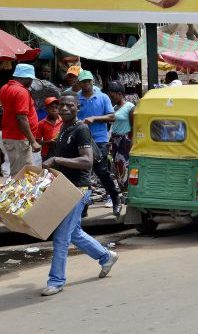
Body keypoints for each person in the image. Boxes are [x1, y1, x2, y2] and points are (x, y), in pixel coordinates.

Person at [40, 94, 118, 296]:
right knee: (73, 232)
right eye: (62, 105)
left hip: (78, 189)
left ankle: (56, 281)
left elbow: (87, 161)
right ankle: (105, 256)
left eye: (70, 105)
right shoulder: (63, 128)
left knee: (61, 237)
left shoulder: (81, 129)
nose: (65, 108)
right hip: (63, 187)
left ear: (78, 108)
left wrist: (56, 160)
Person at [77, 70, 121, 217]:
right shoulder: (76, 98)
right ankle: (83, 207)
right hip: (82, 139)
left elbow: (112, 117)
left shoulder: (102, 97)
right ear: (79, 83)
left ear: (92, 82)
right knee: (83, 174)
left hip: (99, 139)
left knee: (101, 171)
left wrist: (94, 118)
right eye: (83, 82)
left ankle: (115, 199)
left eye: (88, 81)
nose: (86, 84)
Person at [0, 64, 41, 176]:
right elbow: (21, 118)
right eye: (31, 79)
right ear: (25, 78)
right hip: (18, 138)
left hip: (12, 136)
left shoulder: (5, 88)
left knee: (22, 172)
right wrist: (33, 141)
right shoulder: (21, 91)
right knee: (22, 174)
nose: (31, 82)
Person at [107, 81, 134, 187]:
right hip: (115, 141)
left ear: (120, 94)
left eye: (112, 96)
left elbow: (134, 127)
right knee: (117, 167)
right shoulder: (114, 108)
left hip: (125, 141)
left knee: (124, 166)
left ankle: (127, 190)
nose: (111, 98)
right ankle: (123, 190)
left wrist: (132, 143)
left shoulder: (130, 107)